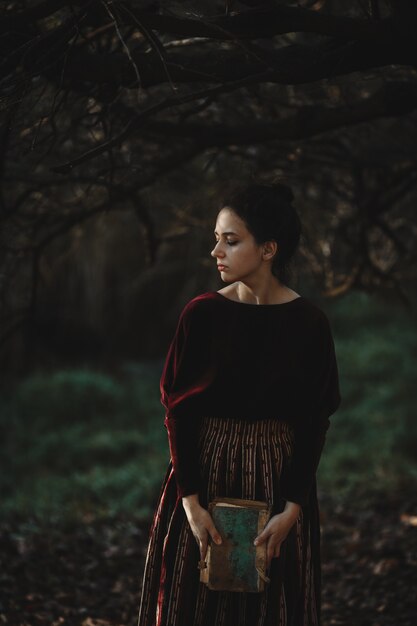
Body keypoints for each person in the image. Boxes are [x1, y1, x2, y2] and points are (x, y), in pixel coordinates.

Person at [137, 181, 341, 626]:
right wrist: (191, 502)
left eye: (230, 241)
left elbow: (314, 420)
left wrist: (293, 507)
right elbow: (179, 411)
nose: (216, 252)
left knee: (271, 600)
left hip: (278, 475)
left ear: (269, 249)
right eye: (216, 240)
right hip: (206, 473)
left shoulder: (309, 324)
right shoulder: (202, 315)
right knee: (193, 601)